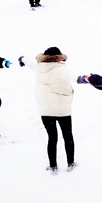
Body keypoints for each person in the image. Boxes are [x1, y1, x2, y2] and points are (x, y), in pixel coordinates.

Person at [19, 47, 77, 175]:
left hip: (45, 111)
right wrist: (87, 79)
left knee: (52, 137)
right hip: (63, 111)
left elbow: (29, 62)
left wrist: (22, 59)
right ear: (59, 56)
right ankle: (70, 163)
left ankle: (53, 166)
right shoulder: (61, 69)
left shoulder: (39, 67)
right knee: (68, 136)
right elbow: (76, 78)